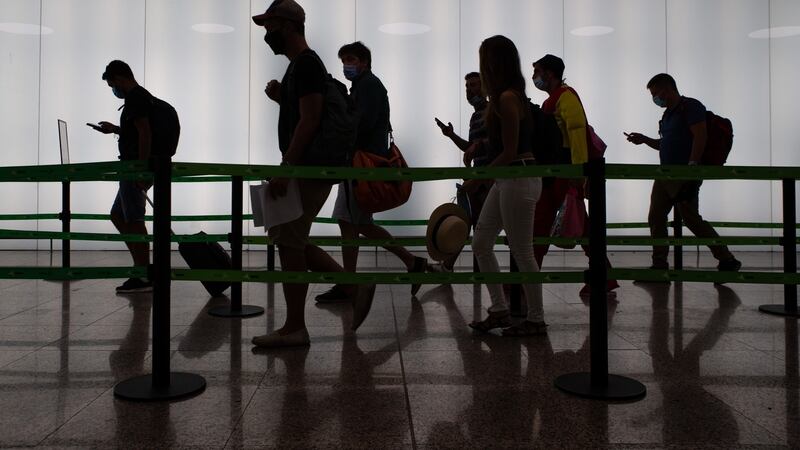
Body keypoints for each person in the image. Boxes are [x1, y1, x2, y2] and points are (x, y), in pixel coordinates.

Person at [251, 0, 376, 348]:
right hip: (307, 166)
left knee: (289, 239)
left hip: (307, 167)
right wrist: (282, 99)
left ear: (289, 26)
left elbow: (310, 121)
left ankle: (296, 326)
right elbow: (307, 115)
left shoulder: (306, 64)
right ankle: (351, 287)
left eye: (270, 26)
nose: (267, 33)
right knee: (289, 237)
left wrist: (287, 168)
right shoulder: (300, 66)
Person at [315, 41, 428, 303]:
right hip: (360, 164)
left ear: (364, 62)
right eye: (344, 60)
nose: (346, 65)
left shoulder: (367, 86)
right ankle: (410, 263)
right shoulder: (363, 86)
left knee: (349, 221)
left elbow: (359, 124)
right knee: (357, 223)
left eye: (351, 59)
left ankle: (350, 284)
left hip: (360, 165)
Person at [465, 35, 546, 336]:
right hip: (510, 179)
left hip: (518, 178)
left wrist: (478, 177)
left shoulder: (507, 98)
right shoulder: (509, 96)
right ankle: (499, 309)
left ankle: (536, 319)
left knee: (522, 251)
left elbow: (510, 151)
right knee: (481, 242)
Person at [625, 73, 742, 274]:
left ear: (667, 90)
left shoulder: (691, 107)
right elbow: (666, 144)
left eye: (655, 94)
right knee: (656, 217)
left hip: (684, 174)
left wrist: (692, 167)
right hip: (665, 174)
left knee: (691, 219)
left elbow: (700, 136)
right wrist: (644, 140)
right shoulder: (667, 115)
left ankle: (727, 259)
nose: (655, 98)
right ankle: (659, 264)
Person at [531, 54, 619, 297]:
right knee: (580, 227)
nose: (534, 77)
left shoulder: (565, 97)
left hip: (564, 173)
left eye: (537, 71)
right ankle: (605, 277)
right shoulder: (553, 99)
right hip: (558, 172)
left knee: (542, 225)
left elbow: (577, 132)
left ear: (549, 73)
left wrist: (579, 172)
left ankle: (525, 282)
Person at [91, 60, 154, 293]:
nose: (113, 90)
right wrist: (115, 130)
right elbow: (136, 132)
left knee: (135, 220)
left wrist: (142, 169)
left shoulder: (136, 98)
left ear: (119, 78)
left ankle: (143, 275)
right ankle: (141, 266)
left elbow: (145, 133)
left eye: (112, 85)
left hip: (134, 168)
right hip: (131, 167)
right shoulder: (139, 98)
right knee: (118, 215)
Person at [432, 72, 491, 272]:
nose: (469, 90)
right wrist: (451, 135)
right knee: (470, 223)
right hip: (478, 179)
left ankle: (454, 267)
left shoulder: (491, 112)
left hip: (487, 180)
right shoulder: (476, 115)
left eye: (474, 85)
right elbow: (471, 147)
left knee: (477, 226)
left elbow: (496, 144)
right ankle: (450, 266)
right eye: (467, 86)